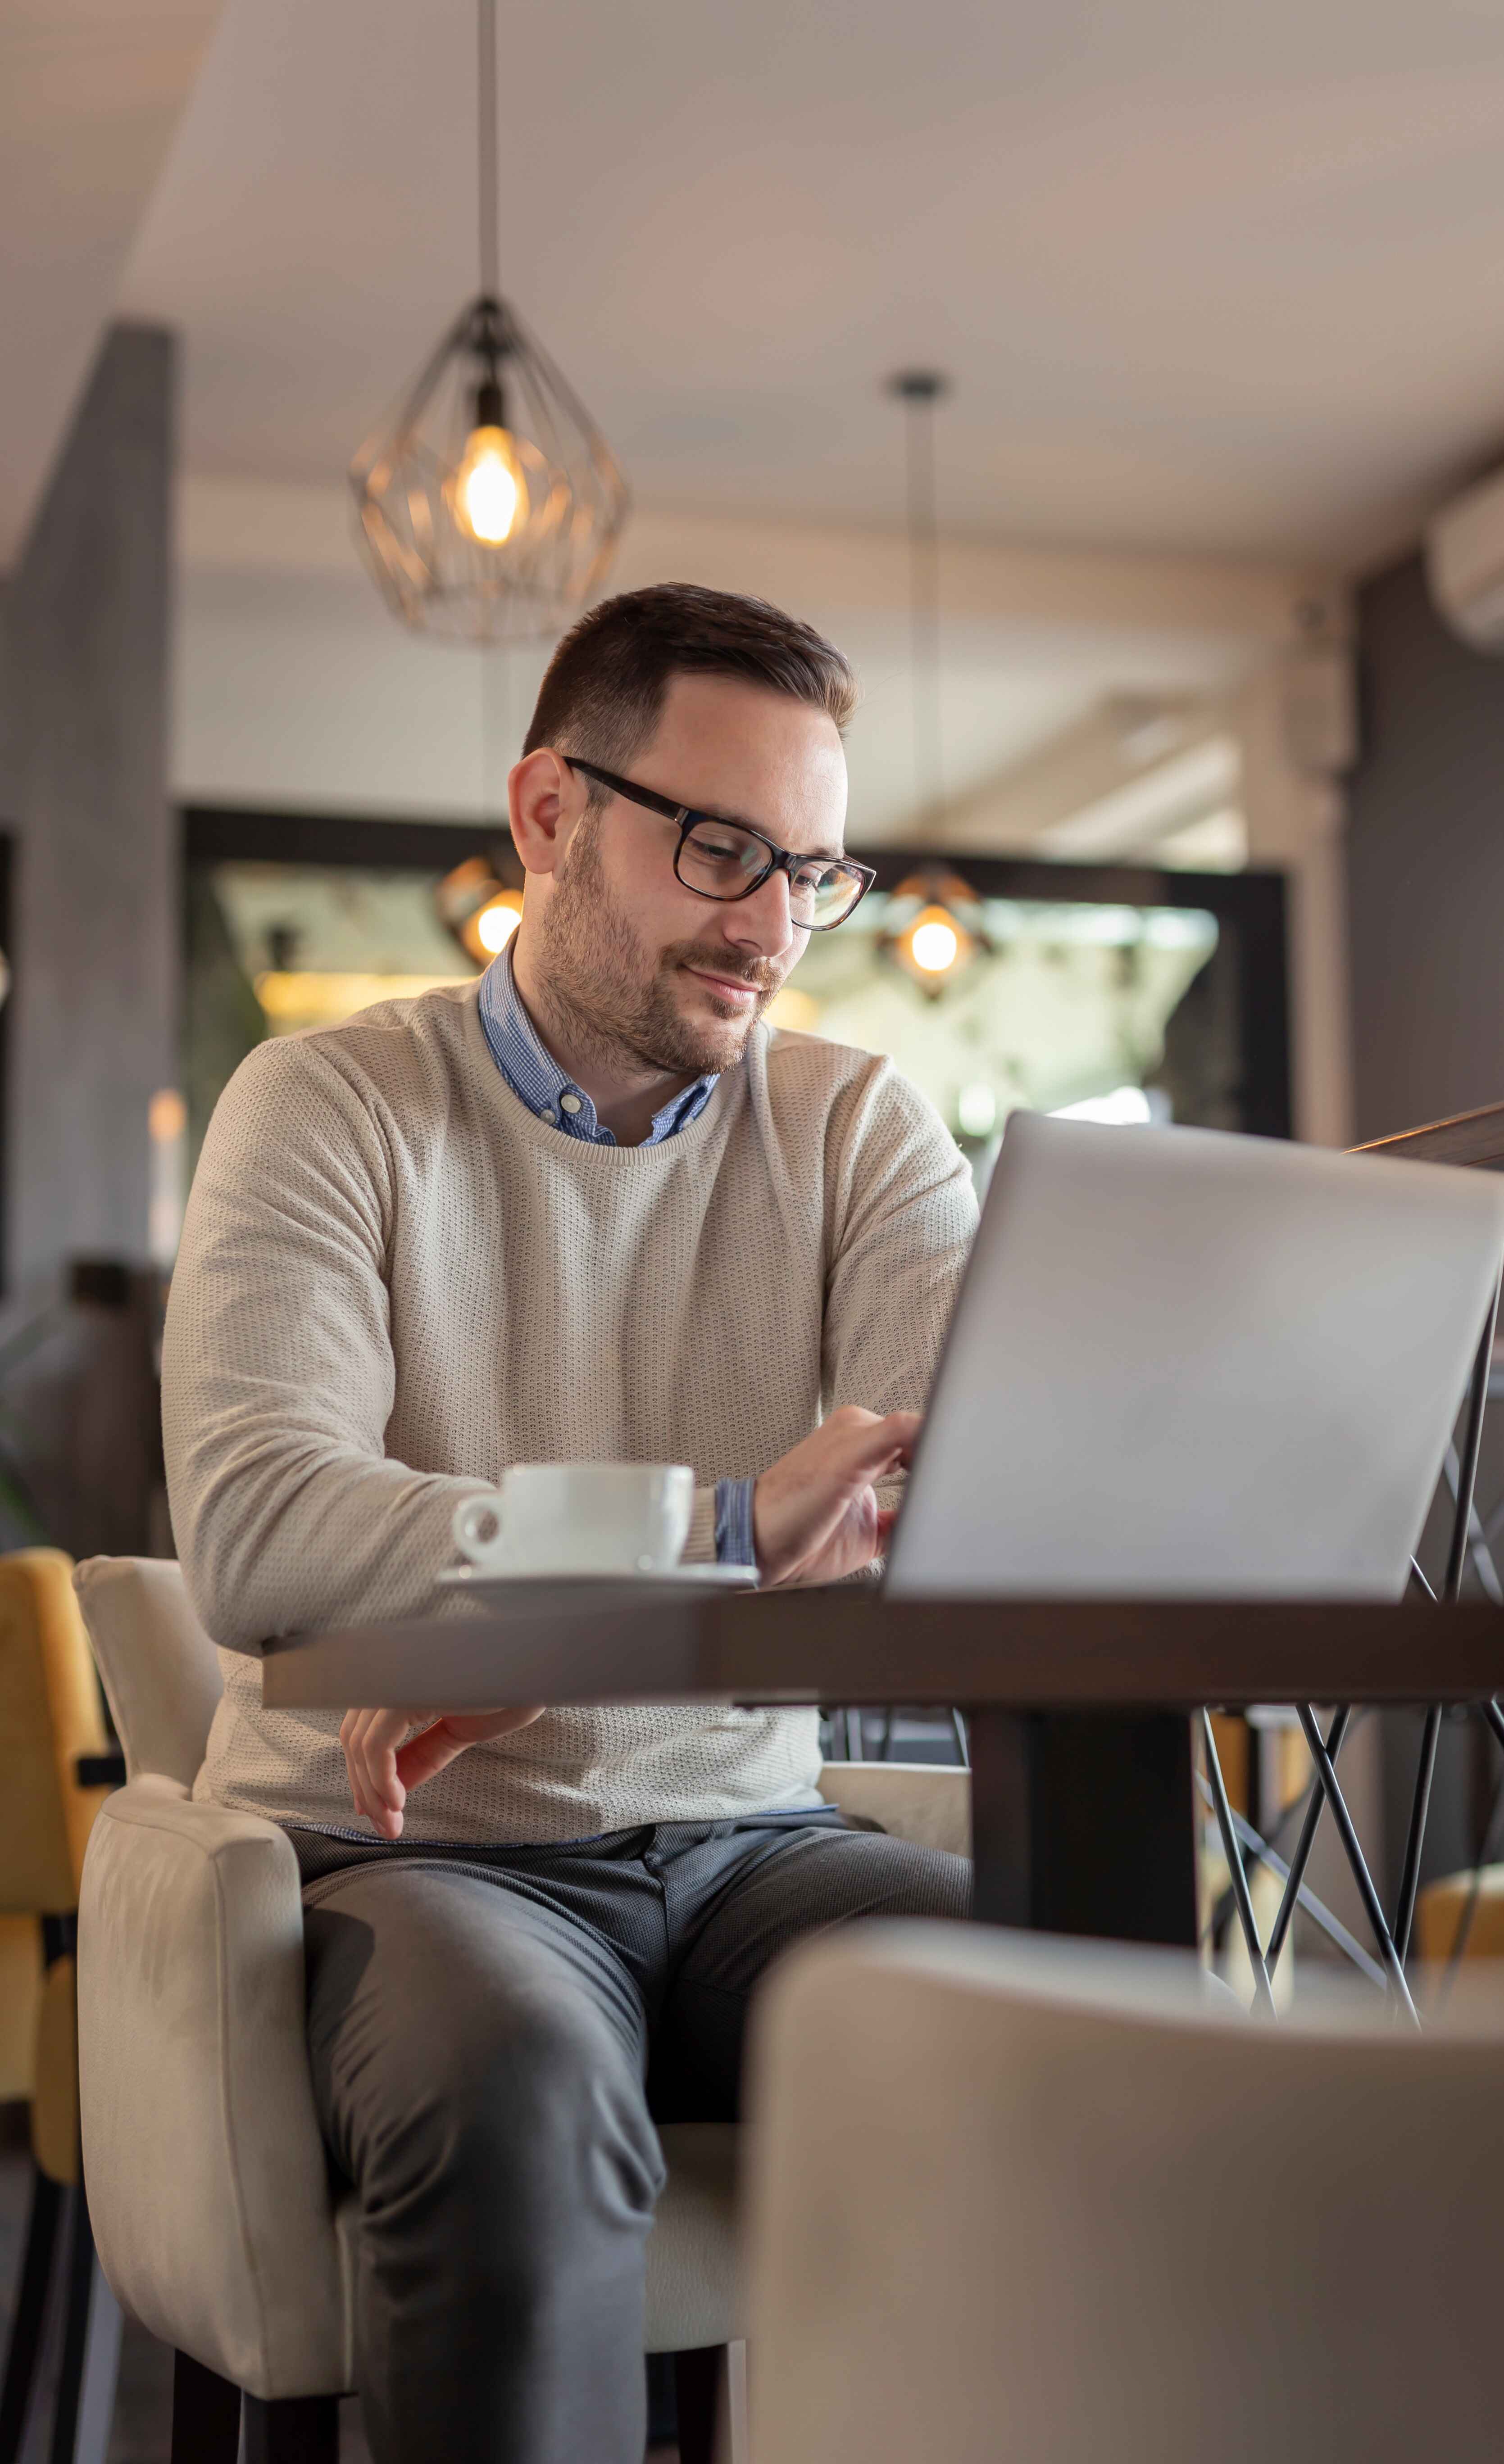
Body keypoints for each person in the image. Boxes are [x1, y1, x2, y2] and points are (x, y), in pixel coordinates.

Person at [163, 583, 977, 2464]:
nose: (772, 925)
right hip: (411, 1854)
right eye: (720, 850)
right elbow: (266, 1528)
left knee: (1060, 2016)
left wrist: (534, 1628)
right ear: (547, 813)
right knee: (515, 2083)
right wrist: (711, 1529)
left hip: (752, 1844)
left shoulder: (862, 1133)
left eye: (814, 871)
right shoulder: (326, 1106)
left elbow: (947, 1500)